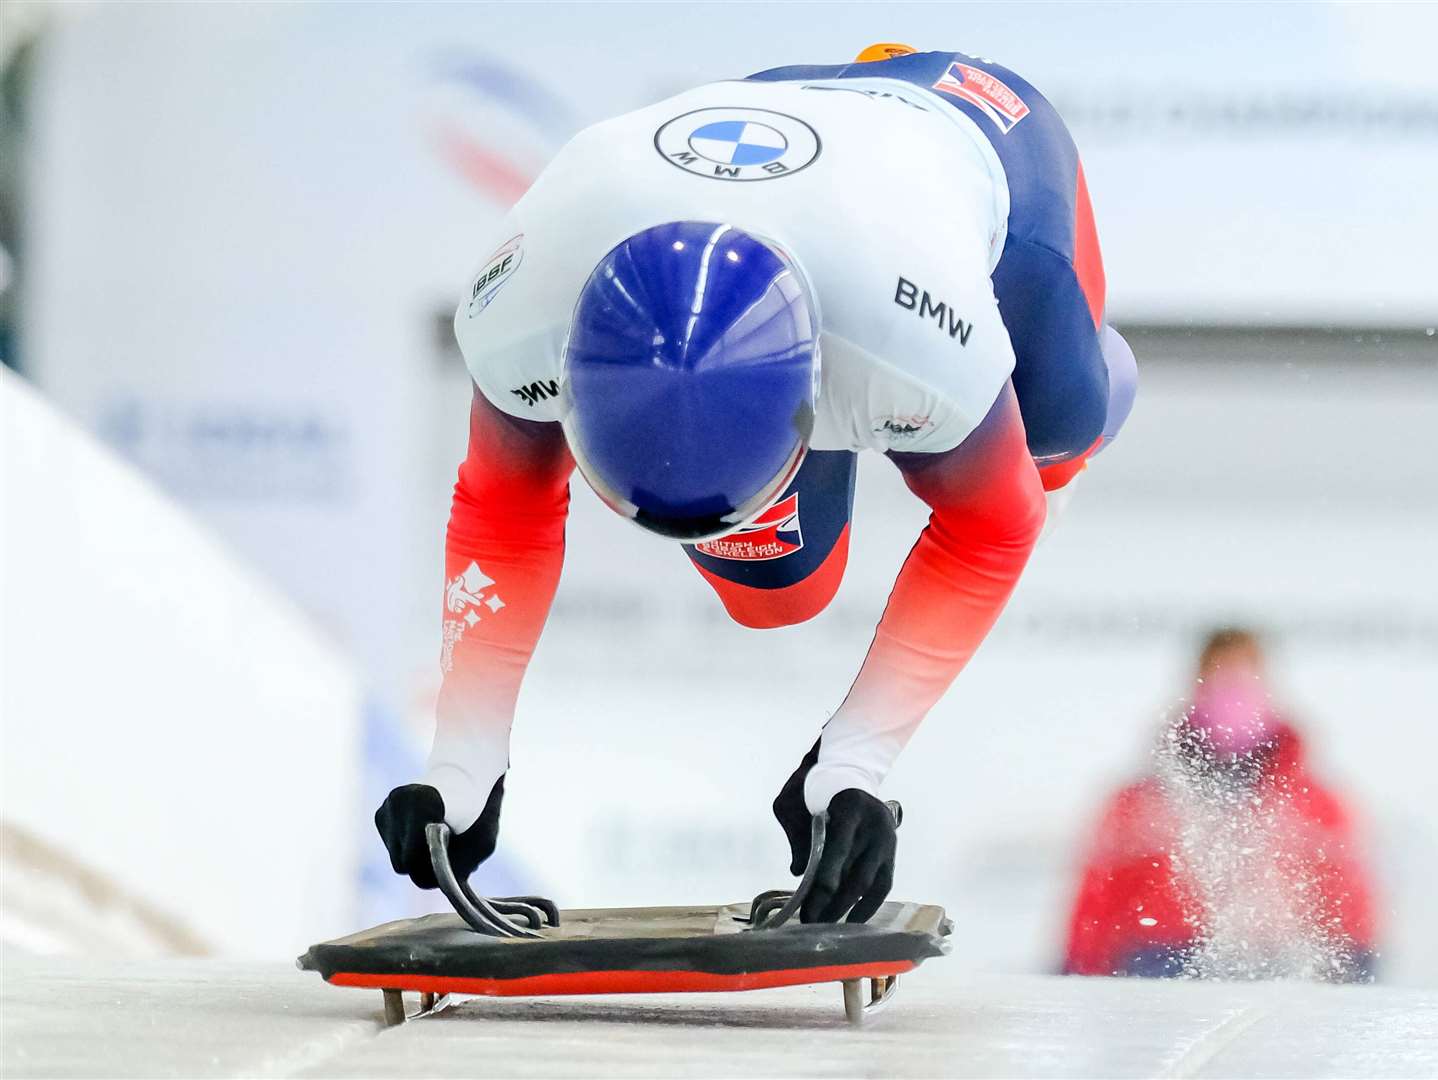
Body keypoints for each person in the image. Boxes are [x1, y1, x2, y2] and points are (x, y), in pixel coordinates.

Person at [376, 44, 1138, 924]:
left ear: (819, 401)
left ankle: (1097, 390)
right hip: (781, 146)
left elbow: (992, 530)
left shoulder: (917, 350)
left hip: (982, 141)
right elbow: (503, 511)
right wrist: (462, 765)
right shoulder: (518, 307)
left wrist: (853, 762)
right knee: (779, 592)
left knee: (1059, 435)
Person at [1061, 629, 1380, 980]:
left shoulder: (1317, 804)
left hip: (1279, 963)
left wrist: (1355, 968)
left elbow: (1347, 898)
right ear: (1196, 683)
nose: (1232, 687)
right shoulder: (1140, 802)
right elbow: (1099, 892)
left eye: (1245, 673)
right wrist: (1081, 968)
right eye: (1219, 672)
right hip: (1160, 959)